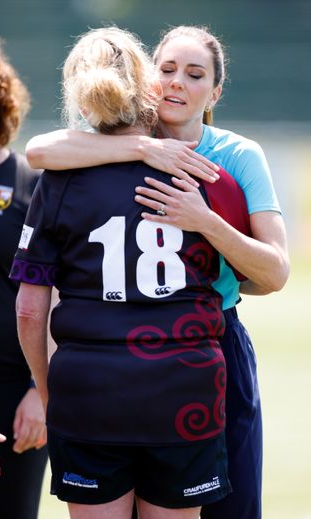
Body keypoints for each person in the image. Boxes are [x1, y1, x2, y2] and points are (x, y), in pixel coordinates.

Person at [24, 25, 290, 519]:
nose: (177, 83)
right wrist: (144, 149)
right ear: (146, 80)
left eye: (194, 75)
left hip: (211, 340)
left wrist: (204, 222)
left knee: (234, 504)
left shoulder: (233, 158)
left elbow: (273, 274)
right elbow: (38, 151)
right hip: (132, 357)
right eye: (166, 70)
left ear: (215, 91)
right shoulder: (115, 147)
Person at [0, 36, 48, 518]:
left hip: (19, 396)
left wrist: (40, 389)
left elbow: (61, 295)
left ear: (1, 98)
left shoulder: (35, 184)